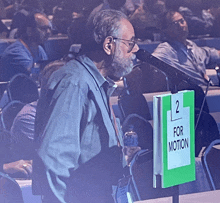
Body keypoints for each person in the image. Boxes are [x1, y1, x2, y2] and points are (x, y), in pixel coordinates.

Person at [33, 9, 139, 203]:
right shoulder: (74, 82)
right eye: (130, 43)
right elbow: (52, 162)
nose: (136, 49)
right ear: (109, 45)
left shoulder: (95, 82)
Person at [152, 10, 220, 86]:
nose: (181, 26)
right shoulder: (166, 49)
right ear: (166, 30)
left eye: (182, 21)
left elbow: (210, 54)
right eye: (175, 24)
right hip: (189, 94)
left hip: (208, 90)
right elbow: (149, 61)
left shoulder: (191, 45)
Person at [0, 12, 51, 82]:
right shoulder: (16, 52)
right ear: (29, 31)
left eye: (49, 28)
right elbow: (36, 74)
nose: (48, 32)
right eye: (43, 28)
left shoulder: (39, 48)